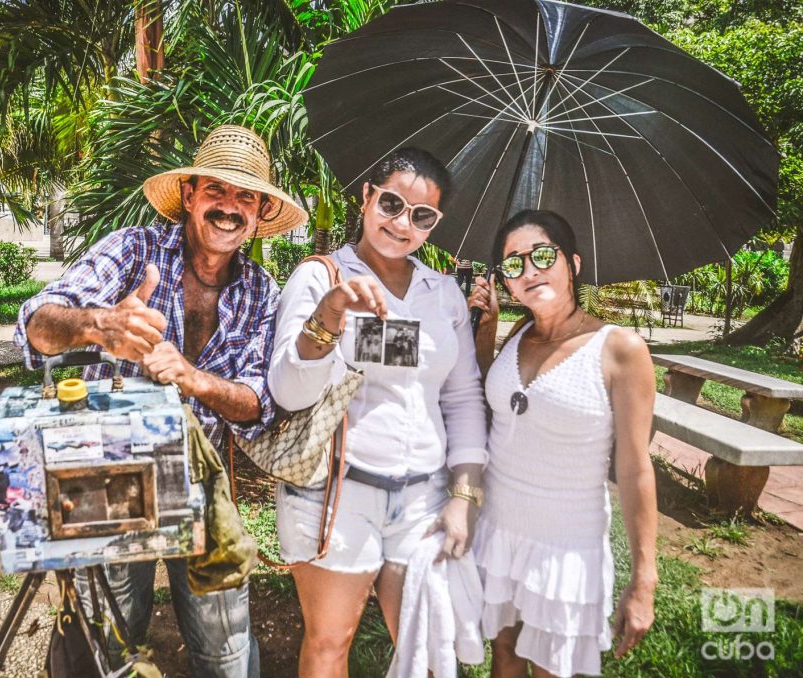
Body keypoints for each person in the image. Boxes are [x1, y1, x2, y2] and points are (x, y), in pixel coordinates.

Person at [14, 124, 308, 678]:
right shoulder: (134, 250)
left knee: (225, 652)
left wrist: (194, 379)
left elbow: (258, 402)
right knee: (107, 641)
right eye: (216, 191)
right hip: (107, 476)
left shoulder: (262, 291)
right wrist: (99, 324)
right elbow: (35, 324)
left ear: (260, 212)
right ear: (190, 195)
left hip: (202, 483)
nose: (229, 207)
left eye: (245, 196)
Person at [267, 148, 488, 676]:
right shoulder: (320, 278)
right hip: (337, 493)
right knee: (330, 641)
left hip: (423, 499)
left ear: (434, 226)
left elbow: (461, 399)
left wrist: (464, 493)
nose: (401, 222)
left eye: (421, 215)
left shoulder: (443, 297)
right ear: (366, 197)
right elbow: (288, 392)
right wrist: (332, 312)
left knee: (428, 650)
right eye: (391, 202)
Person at [467, 210, 658, 677]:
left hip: (566, 545)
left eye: (542, 256)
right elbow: (500, 412)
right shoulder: (517, 333)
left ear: (571, 263)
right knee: (505, 657)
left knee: (555, 669)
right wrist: (487, 332)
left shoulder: (620, 350)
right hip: (500, 529)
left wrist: (644, 579)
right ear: (506, 282)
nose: (529, 270)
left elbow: (635, 470)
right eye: (513, 263)